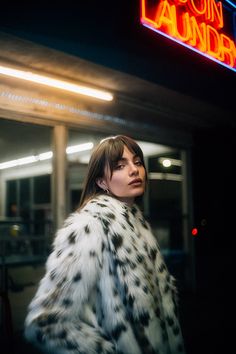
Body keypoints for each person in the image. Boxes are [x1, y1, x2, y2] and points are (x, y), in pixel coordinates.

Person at [24, 135, 185, 354]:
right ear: (101, 182)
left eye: (137, 162)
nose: (134, 170)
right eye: (120, 166)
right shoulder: (88, 228)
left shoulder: (138, 225)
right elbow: (45, 324)